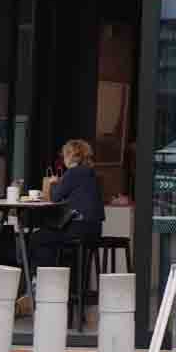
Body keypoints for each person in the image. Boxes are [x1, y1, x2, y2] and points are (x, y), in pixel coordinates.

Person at [41, 137, 105, 321]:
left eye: (65, 154)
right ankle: (69, 290)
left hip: (78, 229)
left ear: (71, 155)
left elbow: (55, 197)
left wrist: (53, 182)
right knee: (60, 246)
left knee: (38, 239)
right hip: (93, 229)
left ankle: (48, 285)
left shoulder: (74, 172)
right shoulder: (90, 173)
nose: (63, 158)